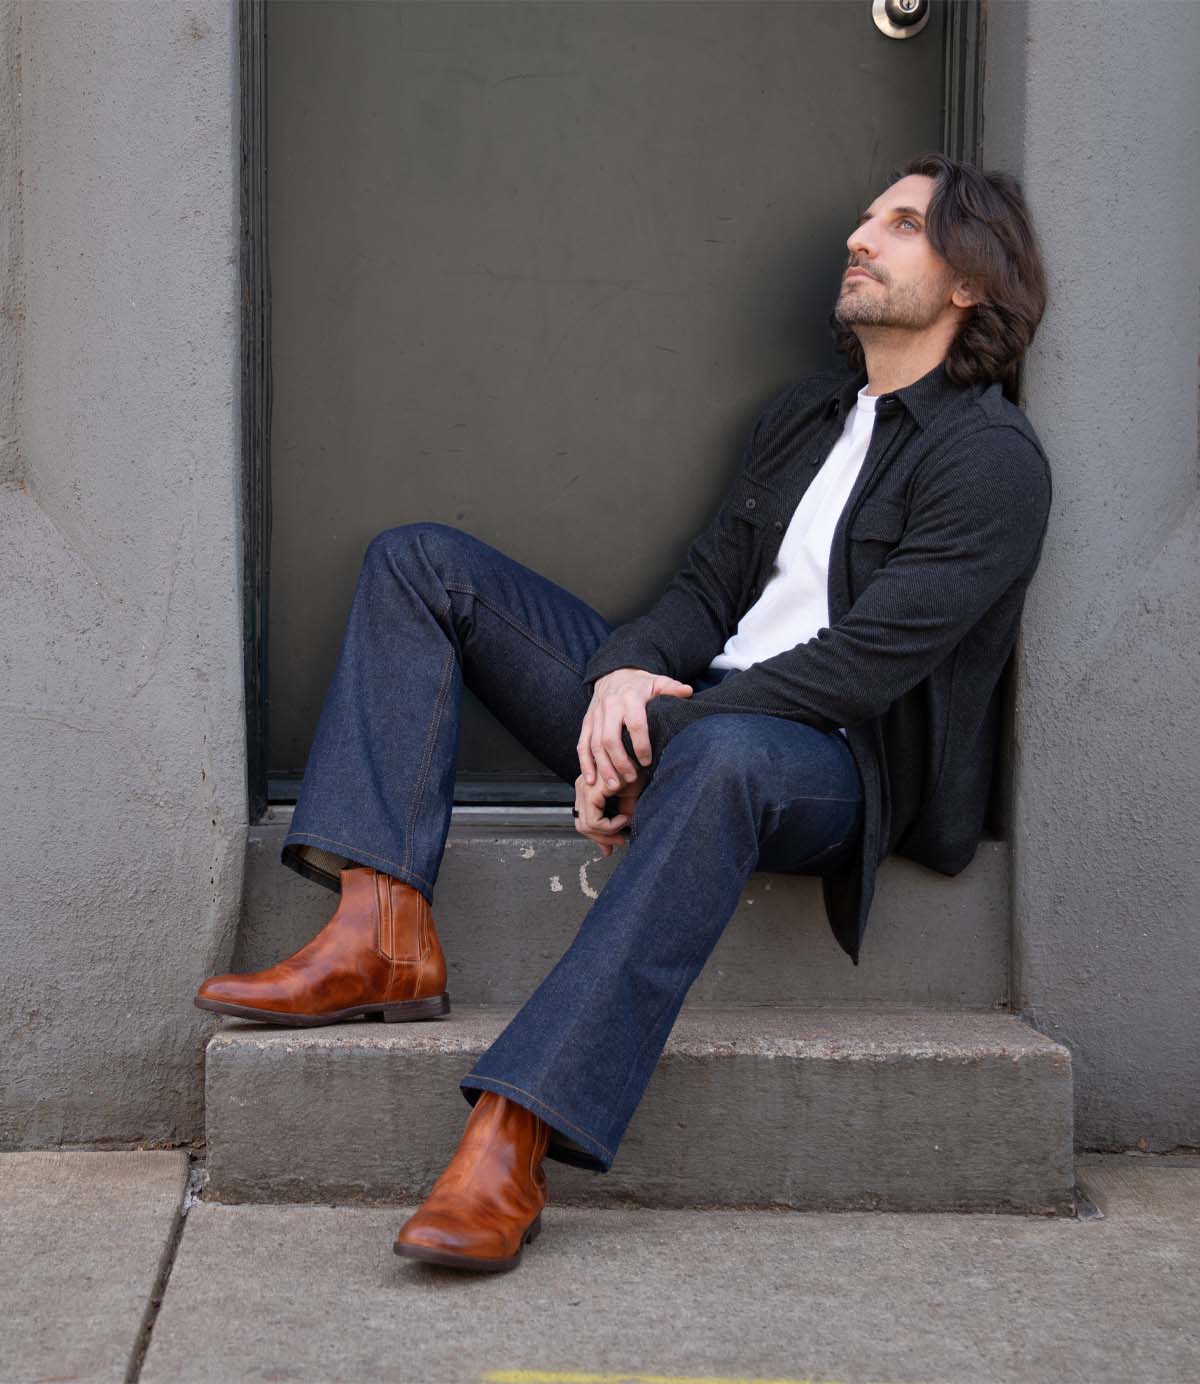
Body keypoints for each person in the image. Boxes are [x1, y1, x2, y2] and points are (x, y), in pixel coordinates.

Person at [196, 151, 1052, 1273]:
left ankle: (513, 1131)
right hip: (694, 721)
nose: (859, 236)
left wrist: (666, 737)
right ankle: (381, 927)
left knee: (734, 758)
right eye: (864, 216)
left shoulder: (991, 462)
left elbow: (863, 669)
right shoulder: (805, 418)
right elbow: (705, 589)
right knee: (422, 564)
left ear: (969, 282)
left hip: (826, 764)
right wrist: (621, 681)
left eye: (899, 224)